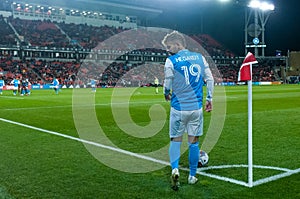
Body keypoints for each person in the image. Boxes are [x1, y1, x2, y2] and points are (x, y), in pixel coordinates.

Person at [162, 31, 214, 190]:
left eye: (169, 47)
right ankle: (192, 176)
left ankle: (175, 169)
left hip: (179, 108)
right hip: (196, 108)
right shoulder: (200, 57)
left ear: (178, 43)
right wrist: (209, 99)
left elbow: (168, 81)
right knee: (194, 143)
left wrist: (166, 93)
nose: (168, 50)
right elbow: (210, 79)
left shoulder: (171, 60)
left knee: (175, 140)